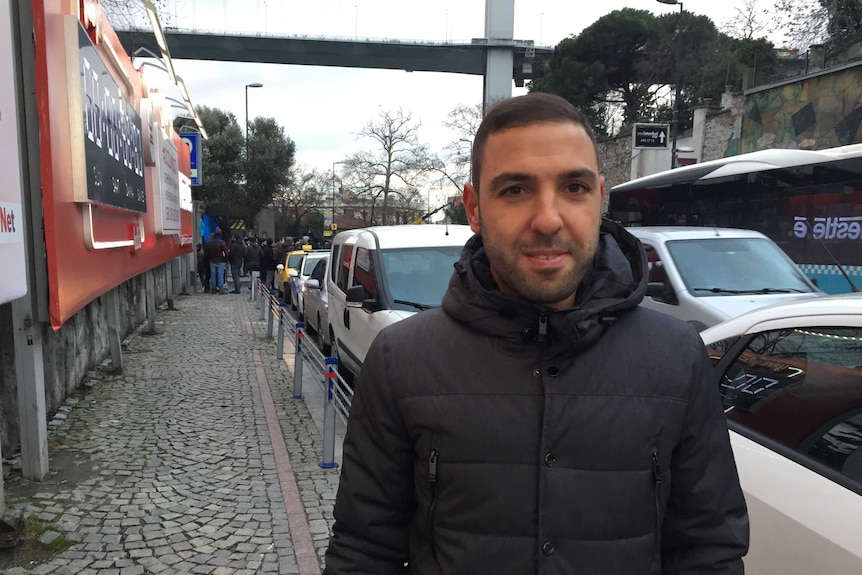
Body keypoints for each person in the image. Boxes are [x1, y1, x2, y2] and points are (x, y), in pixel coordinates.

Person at [324, 93, 749, 574]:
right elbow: (363, 552)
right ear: (474, 208)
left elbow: (708, 550)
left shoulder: (677, 358)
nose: (548, 219)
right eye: (515, 190)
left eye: (574, 188)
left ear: (599, 198)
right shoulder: (402, 360)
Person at [203, 230, 229, 294]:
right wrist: (225, 259)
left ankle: (213, 288)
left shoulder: (209, 243)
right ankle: (220, 288)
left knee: (213, 275)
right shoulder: (222, 243)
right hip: (221, 261)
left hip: (212, 260)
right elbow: (226, 252)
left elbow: (206, 253)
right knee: (220, 274)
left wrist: (208, 259)